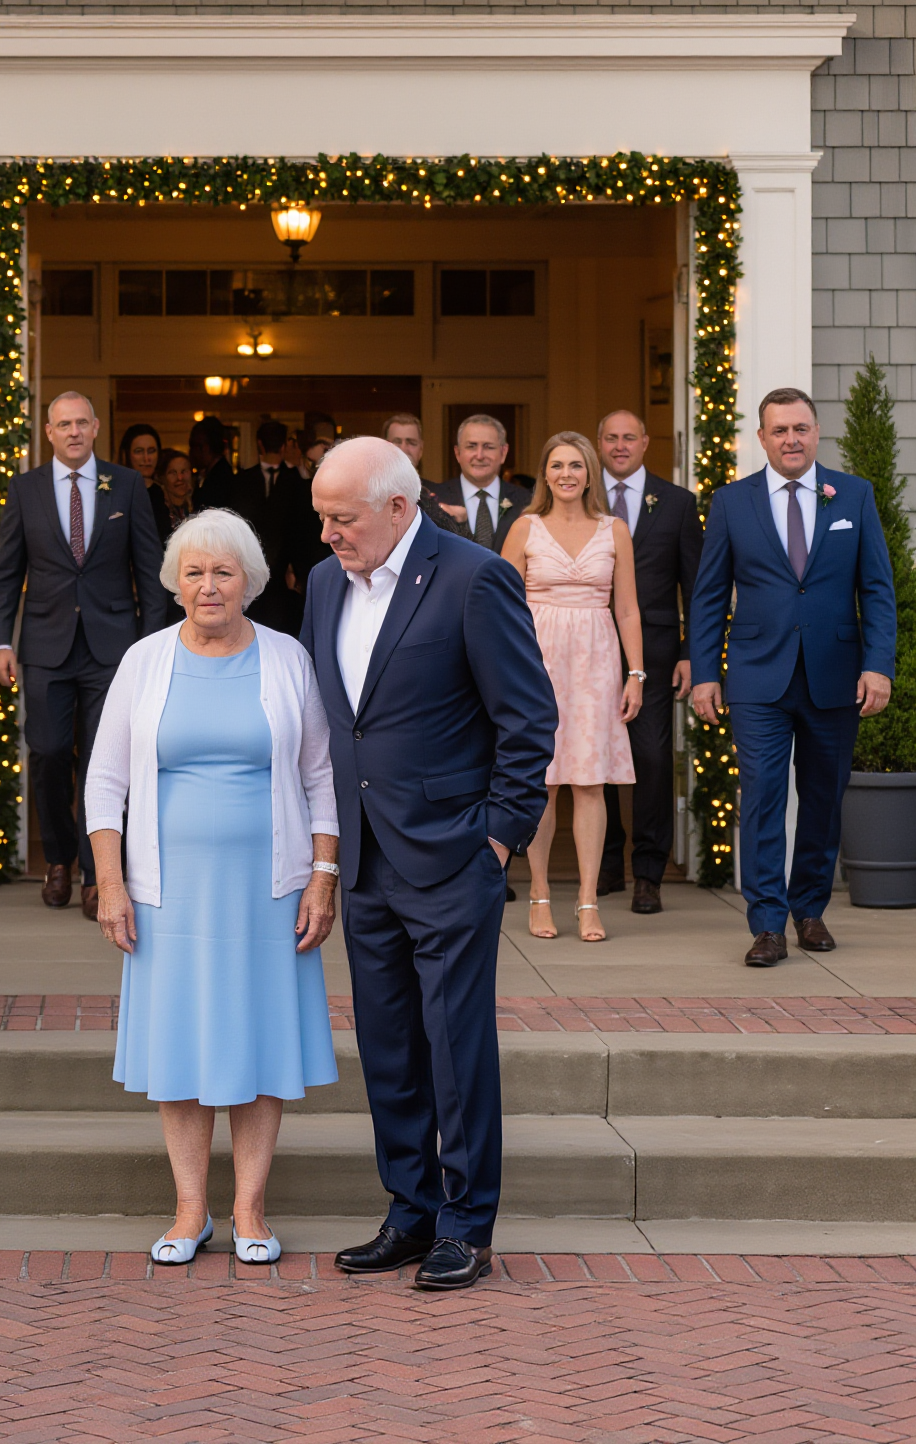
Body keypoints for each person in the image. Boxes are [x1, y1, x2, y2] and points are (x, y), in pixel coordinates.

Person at [302, 437, 556, 1292]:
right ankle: (408, 1211)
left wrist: (497, 837)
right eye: (322, 518)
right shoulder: (326, 583)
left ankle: (466, 1222)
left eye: (343, 517)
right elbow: (341, 724)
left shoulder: (474, 576)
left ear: (399, 508)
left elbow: (527, 720)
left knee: (455, 1049)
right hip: (367, 857)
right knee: (389, 1050)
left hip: (452, 854)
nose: (330, 534)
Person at [85, 509, 339, 1266]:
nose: (208, 586)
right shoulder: (145, 661)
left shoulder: (288, 659)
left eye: (223, 572)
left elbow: (321, 777)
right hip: (170, 894)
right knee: (182, 1048)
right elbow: (105, 781)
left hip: (270, 889)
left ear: (250, 581)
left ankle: (251, 1209)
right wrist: (110, 882)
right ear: (174, 582)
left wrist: (322, 877)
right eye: (194, 572)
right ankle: (190, 1210)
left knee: (258, 1046)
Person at [689, 387, 896, 968]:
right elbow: (707, 596)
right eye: (779, 430)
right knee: (761, 797)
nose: (791, 439)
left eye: (800, 428)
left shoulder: (853, 494)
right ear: (761, 438)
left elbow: (877, 588)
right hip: (757, 677)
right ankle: (766, 924)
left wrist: (878, 663)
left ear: (816, 432)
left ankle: (809, 911)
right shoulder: (732, 502)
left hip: (836, 674)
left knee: (824, 798)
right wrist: (706, 672)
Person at [0, 390, 172, 919]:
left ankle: (98, 876)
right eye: (62, 424)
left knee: (103, 760)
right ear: (48, 432)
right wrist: (2, 641)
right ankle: (58, 859)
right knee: (47, 753)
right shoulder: (24, 490)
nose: (72, 431)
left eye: (81, 423)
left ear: (94, 428)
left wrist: (148, 646)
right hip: (44, 647)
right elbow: (5, 576)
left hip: (113, 648)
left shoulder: (128, 484)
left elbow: (151, 573)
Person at [501, 433, 643, 943]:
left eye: (576, 465)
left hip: (596, 662)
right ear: (545, 474)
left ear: (590, 474)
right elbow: (501, 608)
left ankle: (587, 900)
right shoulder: (525, 528)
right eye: (557, 465)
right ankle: (539, 893)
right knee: (541, 782)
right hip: (535, 663)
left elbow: (626, 608)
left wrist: (636, 673)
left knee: (588, 782)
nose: (567, 474)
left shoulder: (615, 530)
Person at [595, 410, 704, 912]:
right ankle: (606, 863)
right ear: (599, 444)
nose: (620, 446)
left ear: (645, 443)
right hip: (592, 644)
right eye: (611, 438)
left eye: (629, 438)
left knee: (652, 758)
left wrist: (690, 654)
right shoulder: (581, 495)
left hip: (657, 649)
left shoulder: (679, 503)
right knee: (594, 756)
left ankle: (649, 871)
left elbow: (696, 586)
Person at [230, 419, 314, 631]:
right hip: (252, 573)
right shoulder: (245, 480)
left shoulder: (295, 479)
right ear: (284, 446)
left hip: (284, 575)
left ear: (259, 444)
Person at [432, 413, 534, 549]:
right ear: (457, 453)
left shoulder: (527, 502)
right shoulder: (435, 500)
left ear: (503, 453)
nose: (479, 456)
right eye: (471, 446)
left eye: (488, 447)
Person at [384, 410, 458, 523]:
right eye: (397, 442)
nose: (403, 449)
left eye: (411, 443)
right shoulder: (368, 492)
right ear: (385, 447)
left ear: (421, 449)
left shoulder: (443, 496)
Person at [189, 415, 238, 512]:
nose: (190, 453)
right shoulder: (220, 473)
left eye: (193, 446)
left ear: (204, 447)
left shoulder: (218, 481)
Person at [151, 445, 193, 544]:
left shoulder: (198, 505)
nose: (180, 478)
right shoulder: (158, 510)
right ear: (162, 478)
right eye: (172, 473)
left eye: (184, 471)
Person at [119, 423, 163, 492]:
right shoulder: (115, 492)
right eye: (138, 451)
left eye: (151, 451)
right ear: (126, 455)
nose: (146, 458)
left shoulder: (164, 493)